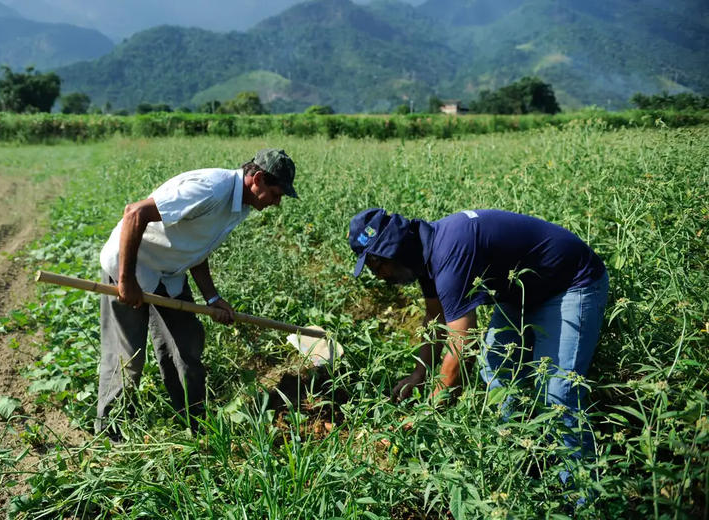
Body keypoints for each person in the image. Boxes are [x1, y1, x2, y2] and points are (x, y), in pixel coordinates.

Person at [348, 208, 609, 474]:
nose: (376, 275)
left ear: (392, 251)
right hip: (521, 293)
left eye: (374, 265)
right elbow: (434, 315)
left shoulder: (450, 253)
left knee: (557, 395)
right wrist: (420, 373)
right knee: (496, 367)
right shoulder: (423, 253)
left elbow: (464, 346)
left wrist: (430, 414)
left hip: (571, 283)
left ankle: (582, 498)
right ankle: (521, 459)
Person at [97, 149, 298, 435]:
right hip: (130, 267)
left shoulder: (238, 206)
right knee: (128, 358)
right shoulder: (210, 189)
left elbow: (197, 248)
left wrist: (213, 298)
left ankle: (194, 424)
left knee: (186, 346)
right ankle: (110, 433)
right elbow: (135, 212)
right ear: (259, 179)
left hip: (169, 274)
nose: (277, 203)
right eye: (277, 194)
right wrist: (125, 280)